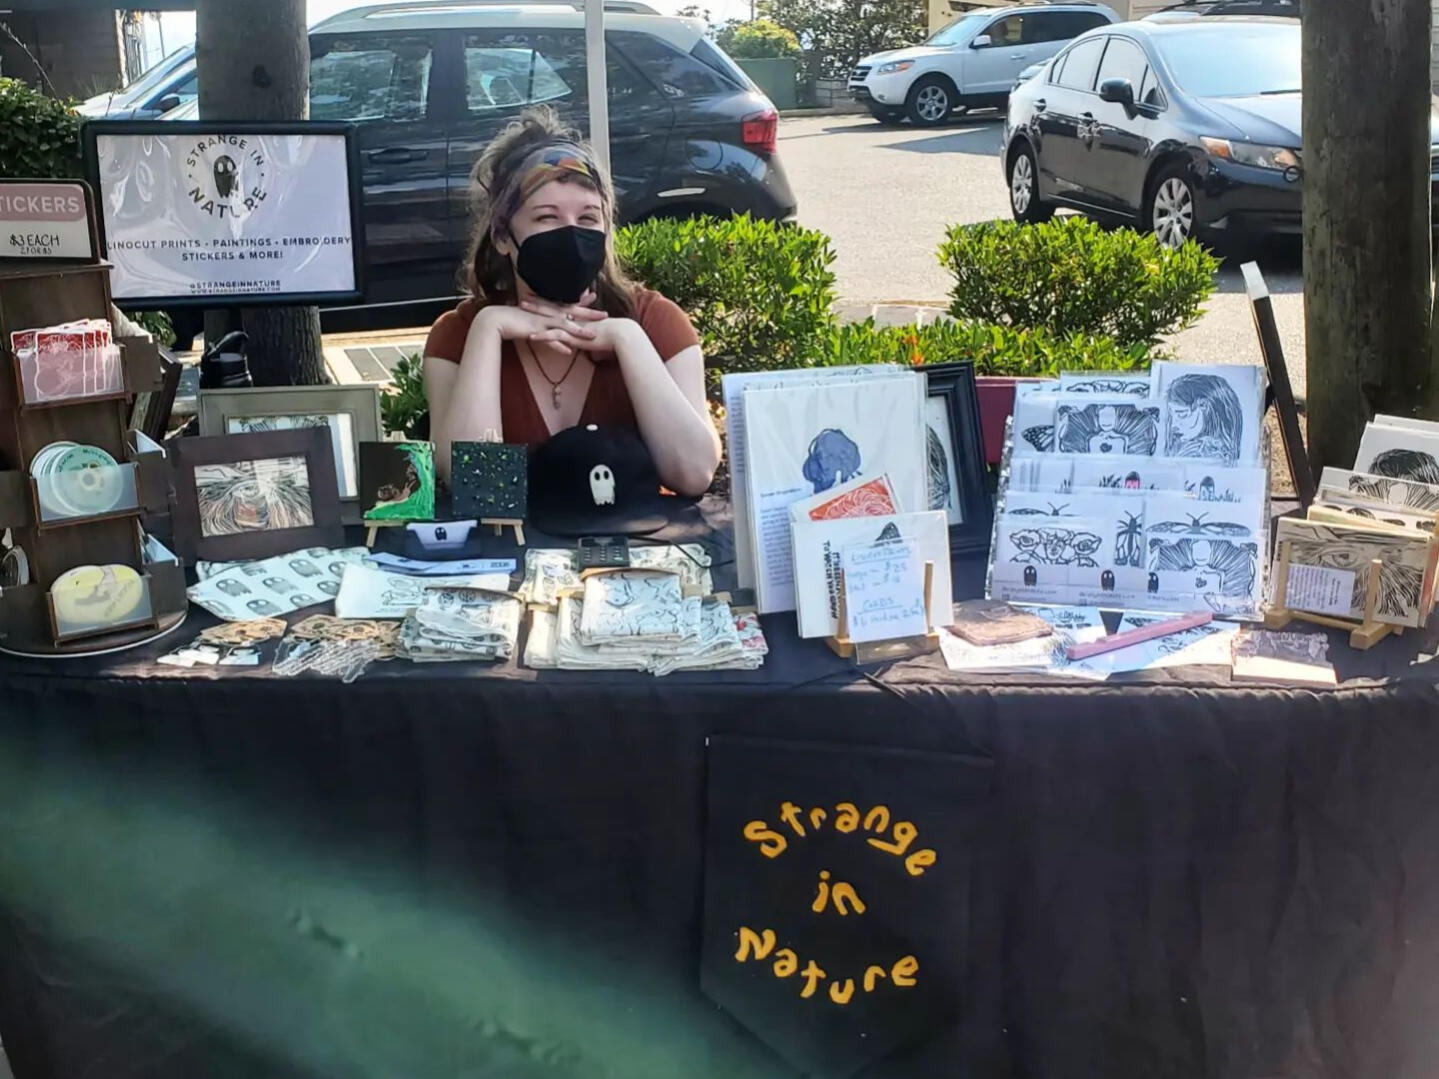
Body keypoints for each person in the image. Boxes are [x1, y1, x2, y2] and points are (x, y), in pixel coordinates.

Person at [423, 107, 721, 496]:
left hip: (635, 537)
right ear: (502, 237)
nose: (571, 235)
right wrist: (488, 329)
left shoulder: (656, 322)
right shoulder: (459, 336)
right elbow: (479, 486)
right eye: (547, 218)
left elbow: (693, 473)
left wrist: (628, 339)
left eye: (588, 219)